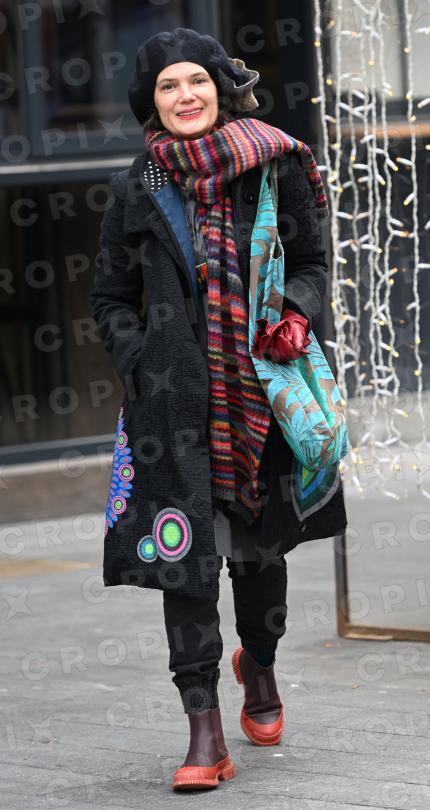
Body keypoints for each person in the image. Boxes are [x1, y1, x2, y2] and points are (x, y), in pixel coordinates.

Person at [90, 27, 347, 792]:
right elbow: (110, 298)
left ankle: (258, 664)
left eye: (196, 81)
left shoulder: (275, 166)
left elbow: (312, 262)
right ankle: (204, 729)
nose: (185, 96)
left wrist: (296, 312)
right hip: (172, 411)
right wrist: (142, 360)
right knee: (186, 569)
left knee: (260, 562)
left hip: (262, 399)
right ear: (153, 104)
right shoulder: (137, 186)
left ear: (222, 87)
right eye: (168, 87)